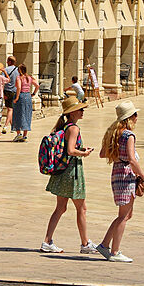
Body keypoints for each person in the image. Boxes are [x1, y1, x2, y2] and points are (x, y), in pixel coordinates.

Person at [41, 96, 98, 255]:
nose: (82, 111)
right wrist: (84, 153)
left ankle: (47, 241)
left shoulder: (66, 127)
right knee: (82, 208)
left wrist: (81, 149)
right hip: (71, 172)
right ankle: (85, 244)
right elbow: (71, 151)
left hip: (63, 171)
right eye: (80, 109)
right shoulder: (74, 128)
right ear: (72, 112)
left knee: (61, 208)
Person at [97, 101, 144, 263]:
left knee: (125, 214)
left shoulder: (113, 133)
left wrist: (119, 156)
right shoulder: (129, 135)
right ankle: (115, 252)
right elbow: (132, 160)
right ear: (130, 118)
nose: (137, 117)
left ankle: (105, 245)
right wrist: (143, 175)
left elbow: (103, 154)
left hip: (117, 173)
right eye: (135, 114)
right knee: (124, 216)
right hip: (126, 176)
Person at [11, 64, 39, 142]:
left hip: (21, 96)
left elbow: (19, 87)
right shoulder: (29, 78)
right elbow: (37, 85)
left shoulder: (19, 78)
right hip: (28, 96)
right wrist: (33, 93)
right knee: (27, 114)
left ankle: (18, 133)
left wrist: (16, 97)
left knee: (17, 114)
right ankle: (25, 135)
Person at [1, 56, 19, 132]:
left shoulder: (5, 70)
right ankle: (13, 127)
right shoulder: (18, 70)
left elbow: (2, 81)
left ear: (10, 62)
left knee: (10, 109)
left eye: (7, 61)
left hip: (7, 91)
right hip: (15, 90)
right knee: (11, 109)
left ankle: (5, 126)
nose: (6, 62)